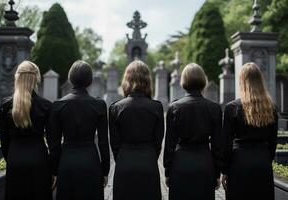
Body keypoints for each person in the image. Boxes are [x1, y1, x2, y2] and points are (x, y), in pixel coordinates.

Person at [47, 60, 110, 200]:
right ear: (90, 80)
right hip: (91, 161)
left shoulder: (58, 106)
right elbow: (103, 141)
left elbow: (54, 144)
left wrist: (54, 170)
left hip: (66, 162)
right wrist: (105, 170)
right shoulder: (99, 105)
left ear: (70, 78)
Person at [163, 63, 223, 200]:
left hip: (180, 164)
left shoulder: (174, 107)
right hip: (205, 163)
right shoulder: (214, 108)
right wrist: (217, 172)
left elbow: (169, 143)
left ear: (184, 81)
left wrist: (167, 171)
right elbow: (217, 144)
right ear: (203, 81)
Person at [222, 62, 278, 200]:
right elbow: (273, 141)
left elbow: (226, 143)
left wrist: (224, 170)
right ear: (260, 80)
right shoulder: (271, 107)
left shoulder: (232, 108)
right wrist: (265, 158)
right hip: (263, 161)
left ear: (241, 81)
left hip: (239, 163)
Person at [109, 60, 164, 200]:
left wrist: (122, 157)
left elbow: (114, 143)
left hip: (124, 163)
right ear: (147, 80)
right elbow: (158, 141)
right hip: (148, 162)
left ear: (126, 80)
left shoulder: (116, 108)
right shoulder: (156, 107)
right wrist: (150, 156)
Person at [0, 61, 52, 200]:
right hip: (39, 161)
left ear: (17, 78)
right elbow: (53, 142)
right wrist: (54, 169)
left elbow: (4, 142)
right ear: (36, 79)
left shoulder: (5, 106)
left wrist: (12, 158)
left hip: (15, 159)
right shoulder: (46, 106)